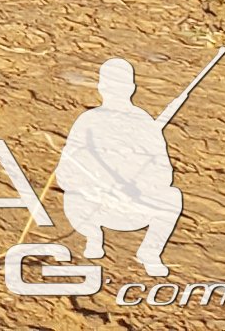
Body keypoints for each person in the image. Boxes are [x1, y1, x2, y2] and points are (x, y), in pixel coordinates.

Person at [56, 57, 188, 277]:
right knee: (73, 196)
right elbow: (65, 172)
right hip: (93, 206)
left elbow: (163, 172)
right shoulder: (88, 121)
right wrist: (96, 187)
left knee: (173, 196)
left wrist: (135, 187)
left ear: (130, 88)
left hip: (133, 206)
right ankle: (93, 236)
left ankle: (150, 252)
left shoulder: (144, 122)